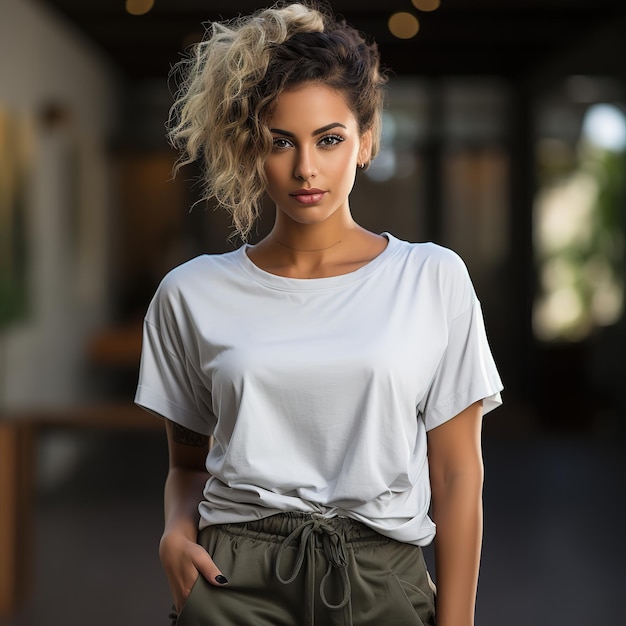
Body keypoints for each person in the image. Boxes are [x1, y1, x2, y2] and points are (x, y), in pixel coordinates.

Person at [134, 1, 504, 625]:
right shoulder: (190, 293)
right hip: (234, 579)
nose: (306, 168)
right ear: (253, 150)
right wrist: (175, 531)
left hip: (382, 575)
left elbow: (458, 471)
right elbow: (187, 464)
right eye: (281, 142)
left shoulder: (433, 278)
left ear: (366, 141)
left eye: (328, 140)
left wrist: (459, 621)